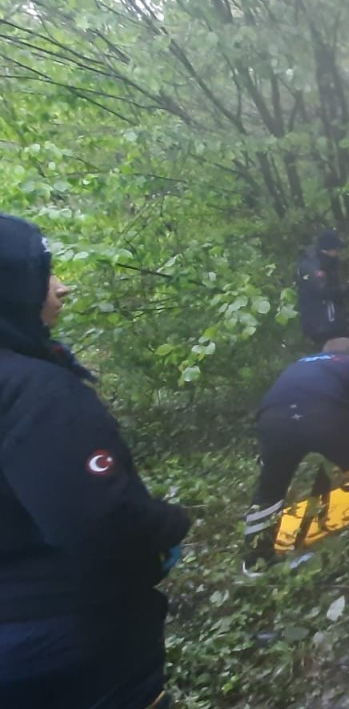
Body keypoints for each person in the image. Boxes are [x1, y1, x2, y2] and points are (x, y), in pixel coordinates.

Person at [1, 213, 190, 708]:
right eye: (45, 275)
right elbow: (100, 522)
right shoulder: (35, 392)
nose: (61, 289)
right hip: (65, 635)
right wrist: (170, 526)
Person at [243, 337, 349, 575]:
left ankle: (256, 561)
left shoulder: (299, 364)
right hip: (323, 416)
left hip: (272, 419)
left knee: (269, 491)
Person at [296, 228, 349, 347]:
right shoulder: (314, 266)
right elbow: (323, 291)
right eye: (337, 250)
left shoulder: (326, 263)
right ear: (328, 249)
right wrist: (348, 287)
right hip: (322, 325)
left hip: (331, 322)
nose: (338, 253)